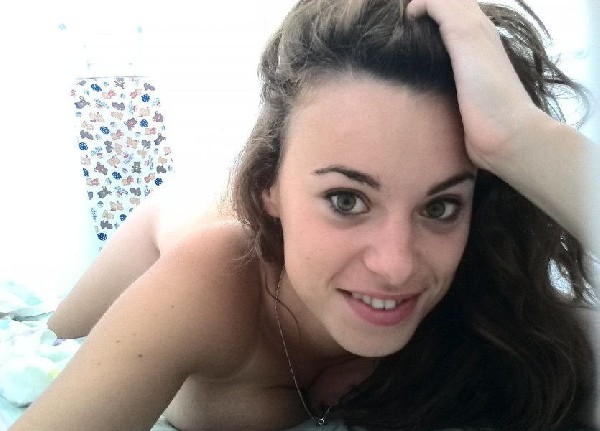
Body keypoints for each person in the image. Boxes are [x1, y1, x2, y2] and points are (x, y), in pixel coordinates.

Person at [12, 0, 599, 430]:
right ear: (267, 186)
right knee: (56, 343)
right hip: (167, 227)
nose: (396, 266)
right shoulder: (212, 276)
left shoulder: (489, 300)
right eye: (346, 200)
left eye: (440, 206)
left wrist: (520, 139)